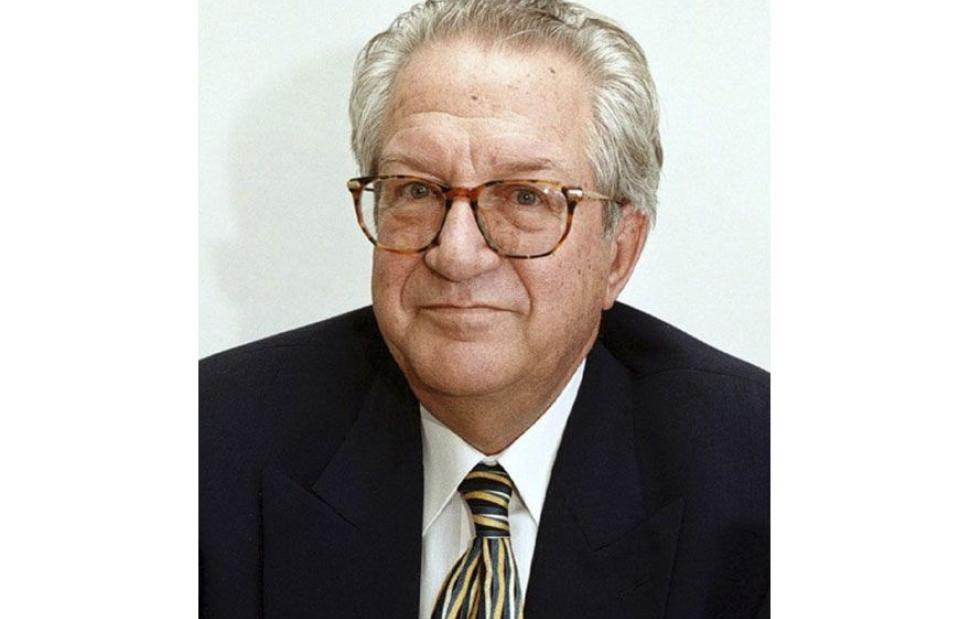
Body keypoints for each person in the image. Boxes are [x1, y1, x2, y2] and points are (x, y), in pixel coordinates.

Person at [200, 1, 769, 617]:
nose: (457, 253)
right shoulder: (208, 443)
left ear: (619, 252)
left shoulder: (759, 471)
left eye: (525, 197)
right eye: (418, 190)